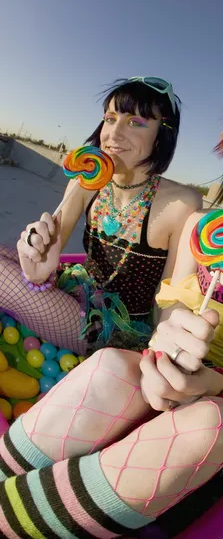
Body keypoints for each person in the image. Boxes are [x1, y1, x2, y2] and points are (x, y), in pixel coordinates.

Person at [0, 75, 223, 538]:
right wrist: (160, 356)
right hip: (165, 369)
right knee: (109, 368)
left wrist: (213, 382)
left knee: (203, 423)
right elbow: (166, 319)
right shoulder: (202, 229)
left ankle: (13, 522)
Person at [0, 77, 202, 354]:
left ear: (162, 135)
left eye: (135, 122)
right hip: (75, 293)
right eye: (110, 118)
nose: (113, 135)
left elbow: (168, 299)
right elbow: (47, 257)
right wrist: (37, 261)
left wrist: (157, 357)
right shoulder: (86, 182)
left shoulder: (182, 203)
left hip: (116, 332)